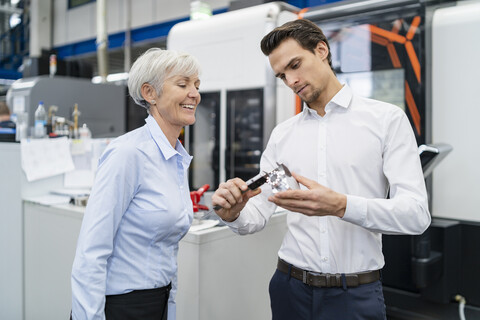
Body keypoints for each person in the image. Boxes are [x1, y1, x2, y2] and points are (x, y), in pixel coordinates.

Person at [211, 19, 430, 320]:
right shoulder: (283, 135)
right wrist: (234, 213)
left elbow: (416, 215)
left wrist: (342, 205)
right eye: (282, 75)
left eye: (295, 65)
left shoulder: (385, 121)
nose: (291, 80)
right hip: (289, 289)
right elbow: (258, 213)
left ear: (322, 50)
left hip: (354, 294)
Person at [71, 48, 201, 320]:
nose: (195, 94)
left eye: (197, 85)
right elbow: (91, 252)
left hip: (159, 301)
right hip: (121, 306)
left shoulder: (174, 157)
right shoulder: (128, 154)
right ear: (150, 93)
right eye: (183, 84)